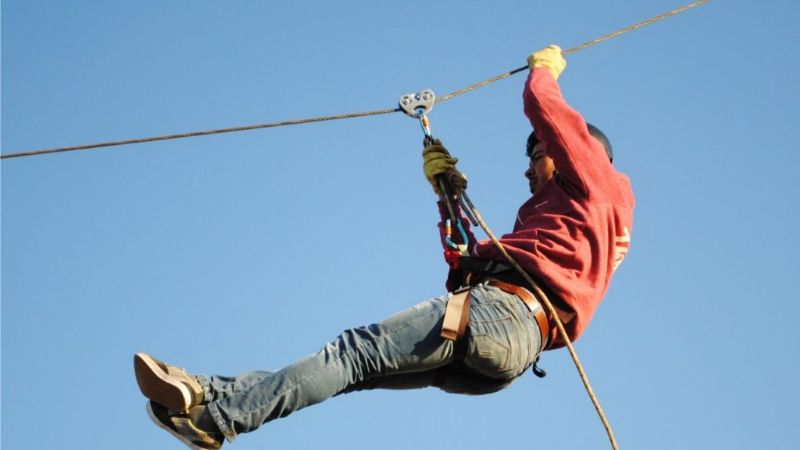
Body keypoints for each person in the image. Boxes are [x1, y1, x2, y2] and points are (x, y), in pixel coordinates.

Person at [134, 45, 635, 450]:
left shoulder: (596, 180)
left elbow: (544, 107)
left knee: (353, 354)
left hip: (503, 317)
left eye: (540, 155)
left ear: (582, 157)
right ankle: (205, 395)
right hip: (511, 350)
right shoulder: (578, 228)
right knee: (353, 370)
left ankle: (218, 417)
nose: (529, 168)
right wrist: (447, 195)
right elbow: (463, 264)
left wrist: (545, 69)